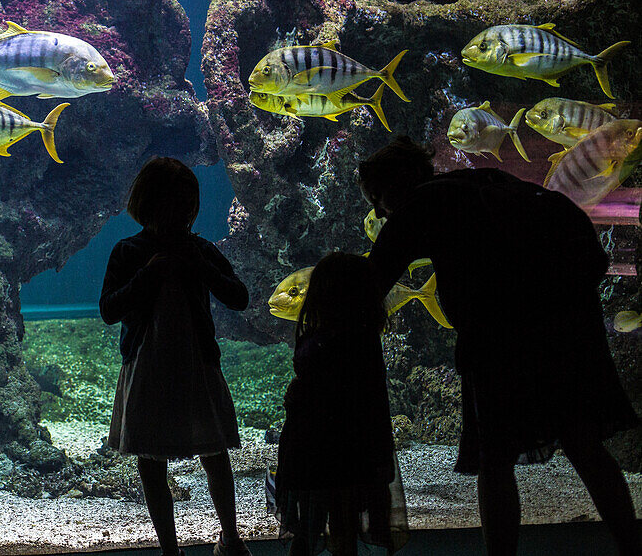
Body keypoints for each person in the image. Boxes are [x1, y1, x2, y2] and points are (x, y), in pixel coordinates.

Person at [359, 136, 641, 556]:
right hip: (565, 332)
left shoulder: (422, 203)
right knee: (584, 444)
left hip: (498, 342)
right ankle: (631, 546)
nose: (379, 211)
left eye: (378, 198)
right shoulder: (485, 180)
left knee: (495, 461)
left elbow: (371, 282)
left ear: (401, 181)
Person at [100, 157, 251, 556]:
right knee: (168, 458)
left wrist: (199, 264)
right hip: (153, 364)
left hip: (193, 363)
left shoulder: (197, 249)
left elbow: (239, 296)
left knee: (210, 451)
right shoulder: (129, 252)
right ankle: (177, 547)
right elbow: (108, 309)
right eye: (174, 206)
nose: (179, 215)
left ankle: (228, 538)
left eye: (184, 207)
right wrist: (147, 275)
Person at [270, 252, 408, 556]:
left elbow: (312, 389)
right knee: (343, 525)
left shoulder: (321, 339)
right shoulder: (365, 338)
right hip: (356, 450)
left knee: (308, 528)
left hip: (317, 451)